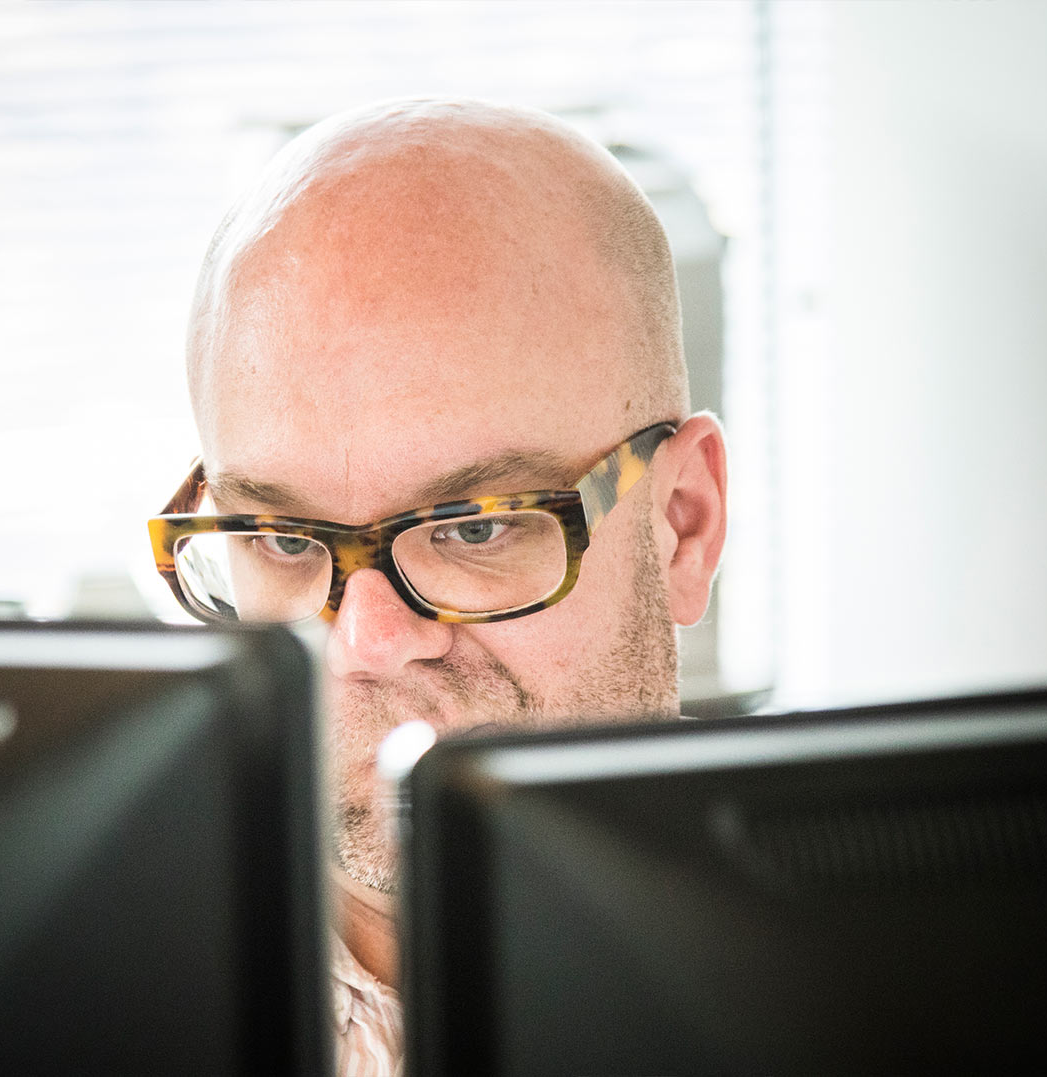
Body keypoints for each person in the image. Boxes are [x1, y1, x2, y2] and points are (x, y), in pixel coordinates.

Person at [150, 96, 728, 1076]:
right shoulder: (71, 1000)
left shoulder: (918, 997)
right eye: (284, 540)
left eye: (474, 527)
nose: (368, 642)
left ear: (683, 526)